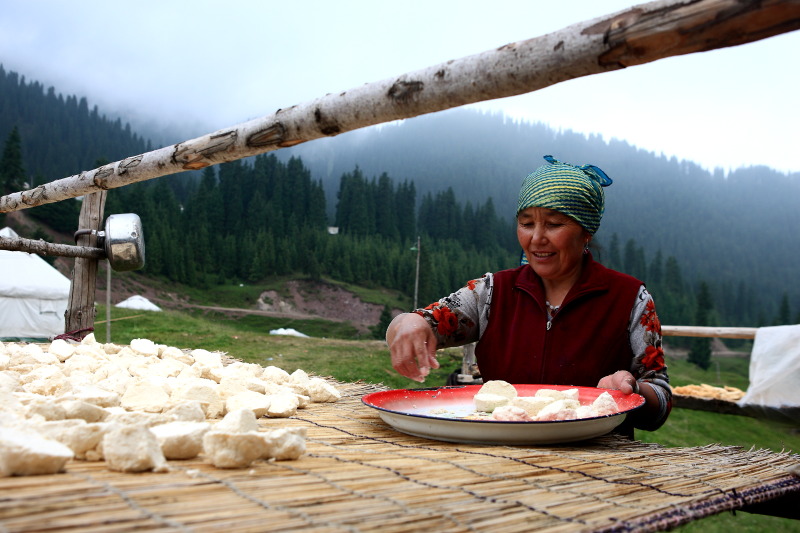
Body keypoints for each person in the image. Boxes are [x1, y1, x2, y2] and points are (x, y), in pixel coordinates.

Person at [386, 155, 671, 433]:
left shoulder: (629, 298)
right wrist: (406, 323)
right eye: (526, 223)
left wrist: (632, 389)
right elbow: (427, 323)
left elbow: (660, 400)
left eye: (554, 224)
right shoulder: (492, 292)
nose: (536, 238)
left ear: (586, 231)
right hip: (499, 457)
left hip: (597, 464)